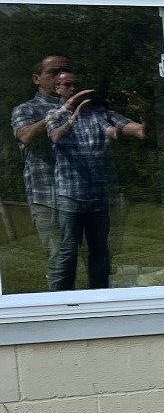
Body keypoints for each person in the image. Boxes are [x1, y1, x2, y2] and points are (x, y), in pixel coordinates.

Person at [46, 68, 144, 292]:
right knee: (68, 250)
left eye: (76, 84)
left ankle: (99, 296)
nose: (73, 89)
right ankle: (59, 298)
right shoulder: (54, 113)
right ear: (57, 88)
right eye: (67, 85)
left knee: (100, 250)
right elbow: (56, 136)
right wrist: (74, 110)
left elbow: (121, 131)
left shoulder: (98, 114)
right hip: (70, 197)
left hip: (98, 197)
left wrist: (140, 116)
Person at [10, 54, 72, 290]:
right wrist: (58, 113)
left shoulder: (81, 107)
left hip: (83, 196)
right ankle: (57, 311)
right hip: (47, 196)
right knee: (58, 256)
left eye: (65, 71)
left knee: (94, 255)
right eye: (54, 72)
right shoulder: (26, 109)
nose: (61, 77)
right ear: (37, 78)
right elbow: (25, 136)